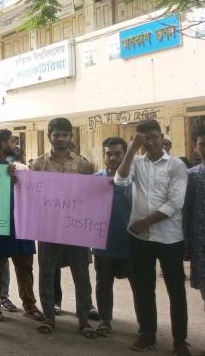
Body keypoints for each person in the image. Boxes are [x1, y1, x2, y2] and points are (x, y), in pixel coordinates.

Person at [115, 119, 189, 355]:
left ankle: (179, 341)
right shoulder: (136, 162)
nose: (150, 141)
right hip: (141, 241)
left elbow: (175, 203)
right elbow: (120, 180)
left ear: (162, 136)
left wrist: (145, 222)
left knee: (176, 290)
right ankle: (147, 335)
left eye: (154, 136)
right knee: (144, 289)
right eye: (144, 138)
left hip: (170, 239)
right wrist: (131, 150)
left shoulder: (176, 165)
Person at [29, 117, 97, 339]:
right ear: (49, 136)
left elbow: (90, 196)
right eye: (56, 134)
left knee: (82, 275)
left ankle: (84, 320)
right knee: (47, 273)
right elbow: (30, 195)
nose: (60, 138)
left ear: (70, 136)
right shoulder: (38, 164)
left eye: (64, 134)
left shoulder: (83, 164)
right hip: (48, 228)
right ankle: (49, 316)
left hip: (76, 229)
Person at [0, 129, 43, 323]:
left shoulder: (20, 167)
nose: (16, 145)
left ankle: (29, 304)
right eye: (13, 141)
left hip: (22, 223)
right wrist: (2, 180)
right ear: (2, 144)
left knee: (25, 265)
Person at [91, 136, 133, 337]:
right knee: (104, 283)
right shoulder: (94, 180)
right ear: (104, 156)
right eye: (109, 154)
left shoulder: (135, 179)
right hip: (103, 243)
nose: (113, 157)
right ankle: (105, 320)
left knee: (139, 286)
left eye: (118, 153)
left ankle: (145, 325)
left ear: (126, 155)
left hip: (132, 243)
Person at [184, 126, 205, 338]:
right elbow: (186, 211)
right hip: (201, 245)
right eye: (202, 144)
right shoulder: (191, 176)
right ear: (196, 147)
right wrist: (187, 243)